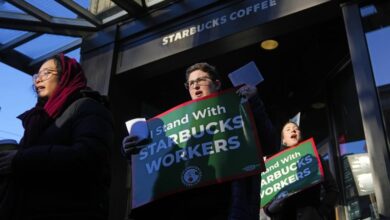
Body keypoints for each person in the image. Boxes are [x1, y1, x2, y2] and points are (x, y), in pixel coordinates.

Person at [123, 62, 278, 220]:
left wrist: (254, 103)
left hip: (229, 208)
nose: (195, 86)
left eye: (201, 80)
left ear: (217, 84)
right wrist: (133, 153)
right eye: (191, 83)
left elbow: (270, 145)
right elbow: (159, 168)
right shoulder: (178, 123)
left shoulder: (238, 107)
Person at [0, 54, 113, 220]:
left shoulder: (87, 107)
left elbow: (89, 157)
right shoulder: (39, 120)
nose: (38, 80)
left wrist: (21, 159)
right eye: (36, 76)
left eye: (46, 73)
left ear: (65, 76)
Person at [264, 121, 339, 220]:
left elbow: (332, 189)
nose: (293, 130)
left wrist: (320, 213)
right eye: (288, 129)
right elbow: (267, 208)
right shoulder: (272, 165)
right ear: (283, 141)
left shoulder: (313, 156)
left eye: (296, 128)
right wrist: (275, 204)